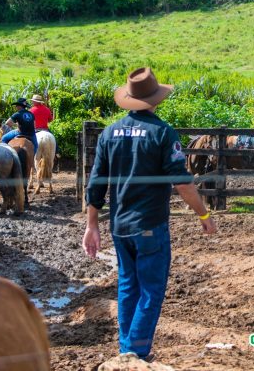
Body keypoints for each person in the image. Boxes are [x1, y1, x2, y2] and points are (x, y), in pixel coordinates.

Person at [82, 67, 217, 362]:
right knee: (151, 290)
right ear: (156, 99)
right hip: (150, 224)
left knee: (128, 284)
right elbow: (182, 182)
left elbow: (96, 181)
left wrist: (92, 224)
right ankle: (136, 351)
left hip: (120, 226)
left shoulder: (109, 133)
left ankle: (125, 348)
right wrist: (204, 216)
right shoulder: (162, 133)